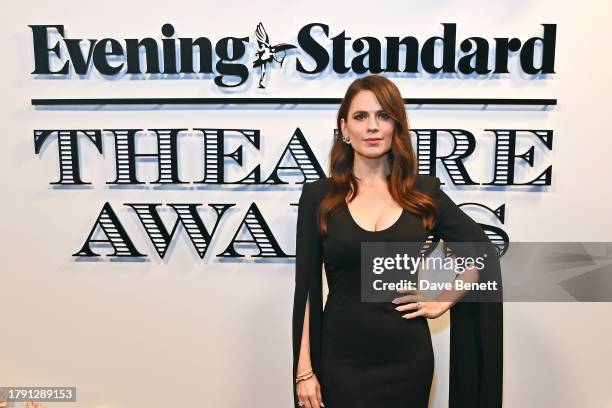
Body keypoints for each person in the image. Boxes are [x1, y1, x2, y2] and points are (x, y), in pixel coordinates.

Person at [292, 75, 503, 408]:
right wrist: (304, 371)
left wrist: (444, 298)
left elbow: (484, 255)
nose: (372, 127)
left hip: (408, 361)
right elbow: (305, 290)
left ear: (396, 126)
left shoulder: (422, 193)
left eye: (383, 116)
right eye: (361, 117)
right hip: (340, 359)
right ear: (344, 129)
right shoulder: (319, 196)